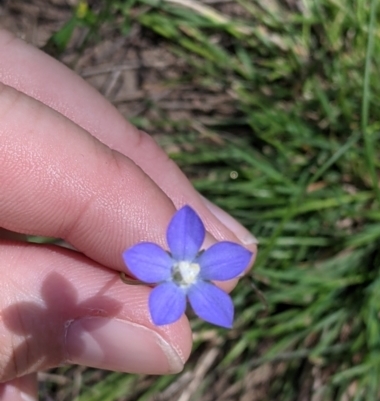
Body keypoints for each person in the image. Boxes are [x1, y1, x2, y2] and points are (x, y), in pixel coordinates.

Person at [0, 28, 257, 400]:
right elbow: (141, 255)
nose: (184, 271)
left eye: (185, 272)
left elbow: (224, 257)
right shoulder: (164, 261)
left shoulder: (200, 284)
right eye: (182, 271)